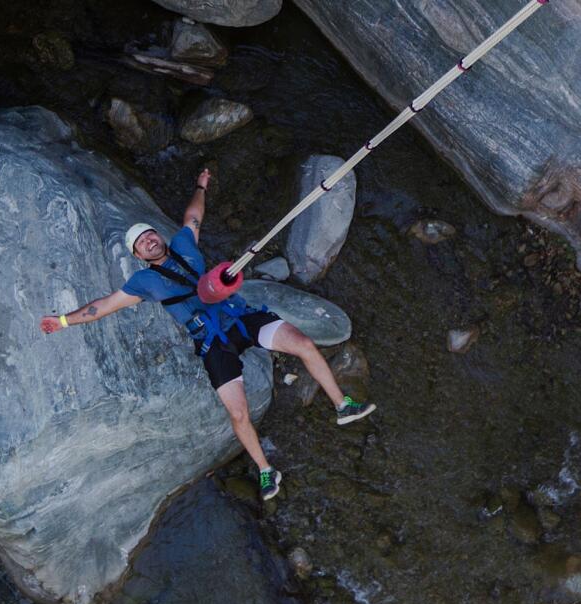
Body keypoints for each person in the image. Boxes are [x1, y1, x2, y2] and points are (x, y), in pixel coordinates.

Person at [39, 168, 375, 500]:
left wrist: (201, 186)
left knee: (303, 343)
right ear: (138, 256)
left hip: (241, 317)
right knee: (238, 413)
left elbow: (193, 216)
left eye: (151, 235)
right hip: (213, 342)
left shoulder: (184, 243)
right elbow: (104, 306)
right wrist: (65, 321)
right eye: (142, 243)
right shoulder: (144, 282)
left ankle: (342, 405)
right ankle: (265, 471)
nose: (149, 240)